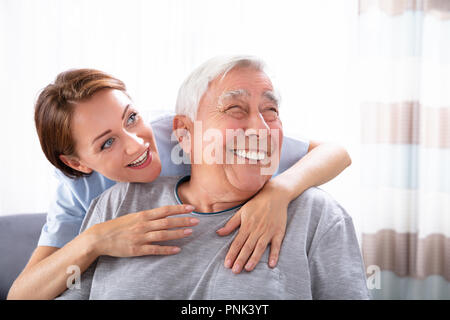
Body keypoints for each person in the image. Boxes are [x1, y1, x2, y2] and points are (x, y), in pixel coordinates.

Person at [55, 55, 369, 300]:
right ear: (184, 133)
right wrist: (92, 240)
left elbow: (337, 152)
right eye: (234, 108)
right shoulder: (115, 203)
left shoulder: (318, 216)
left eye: (270, 111)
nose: (261, 129)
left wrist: (279, 191)